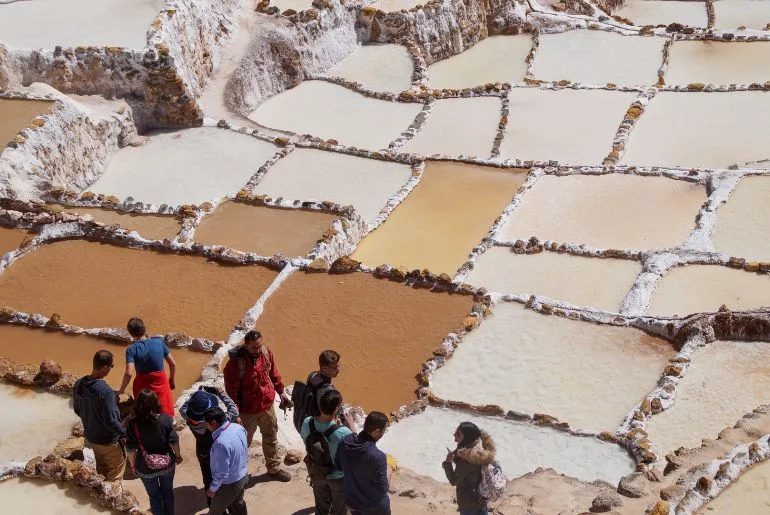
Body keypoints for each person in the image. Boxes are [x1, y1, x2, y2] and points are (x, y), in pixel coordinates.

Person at [224, 330, 292, 482]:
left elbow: (274, 373)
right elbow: (231, 389)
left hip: (267, 405)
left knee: (271, 437)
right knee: (242, 444)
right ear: (246, 345)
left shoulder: (266, 353)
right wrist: (235, 413)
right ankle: (238, 474)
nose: (257, 350)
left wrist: (281, 392)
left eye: (259, 346)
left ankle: (273, 469)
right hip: (247, 411)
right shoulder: (236, 363)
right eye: (254, 347)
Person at [180, 385, 241, 510]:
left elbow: (183, 407)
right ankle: (228, 505)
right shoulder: (216, 424)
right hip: (219, 453)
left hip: (203, 453)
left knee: (208, 478)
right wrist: (221, 393)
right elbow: (233, 411)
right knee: (224, 479)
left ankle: (213, 506)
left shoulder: (187, 417)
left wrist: (197, 396)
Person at [73, 350, 126, 482]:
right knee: (115, 474)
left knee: (101, 471)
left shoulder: (79, 383)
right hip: (109, 442)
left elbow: (77, 410)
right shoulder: (106, 392)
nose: (111, 369)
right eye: (111, 366)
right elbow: (111, 421)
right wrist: (124, 433)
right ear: (105, 367)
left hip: (91, 438)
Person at [126, 389, 182, 515]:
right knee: (167, 493)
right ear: (156, 402)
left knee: (154, 497)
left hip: (145, 467)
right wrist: (178, 456)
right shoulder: (165, 419)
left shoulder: (133, 424)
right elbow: (174, 441)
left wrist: (133, 465)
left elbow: (131, 448)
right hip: (167, 465)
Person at [300, 389, 354, 515]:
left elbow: (306, 442)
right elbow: (356, 451)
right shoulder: (343, 433)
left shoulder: (307, 422)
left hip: (317, 472)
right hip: (337, 477)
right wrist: (351, 428)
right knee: (340, 508)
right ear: (336, 408)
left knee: (321, 506)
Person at [117, 318, 176, 417]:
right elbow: (173, 364)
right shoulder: (159, 342)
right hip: (160, 382)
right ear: (144, 329)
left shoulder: (131, 349)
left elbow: (129, 373)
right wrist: (171, 380)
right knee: (164, 412)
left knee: (144, 413)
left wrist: (121, 390)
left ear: (131, 334)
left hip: (143, 387)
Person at [335, 412, 391, 515]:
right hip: (375, 508)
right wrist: (388, 471)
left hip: (354, 505)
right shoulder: (378, 457)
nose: (384, 433)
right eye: (384, 430)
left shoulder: (345, 442)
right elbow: (382, 490)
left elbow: (338, 467)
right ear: (377, 431)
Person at [442, 422, 497, 515]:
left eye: (458, 434)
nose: (454, 435)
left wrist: (448, 463)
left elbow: (454, 480)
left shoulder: (466, 459)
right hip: (482, 497)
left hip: (468, 502)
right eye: (455, 432)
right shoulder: (481, 447)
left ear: (467, 437)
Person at [205, 407, 249, 515]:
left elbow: (221, 472)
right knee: (237, 504)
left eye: (206, 423)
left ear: (214, 422)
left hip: (230, 483)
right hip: (243, 475)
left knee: (215, 511)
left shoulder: (220, 442)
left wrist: (212, 489)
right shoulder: (238, 428)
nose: (205, 425)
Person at [292, 350, 341, 432]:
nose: (338, 369)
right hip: (318, 429)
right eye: (335, 367)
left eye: (338, 365)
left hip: (305, 421)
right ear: (324, 368)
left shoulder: (313, 375)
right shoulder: (327, 391)